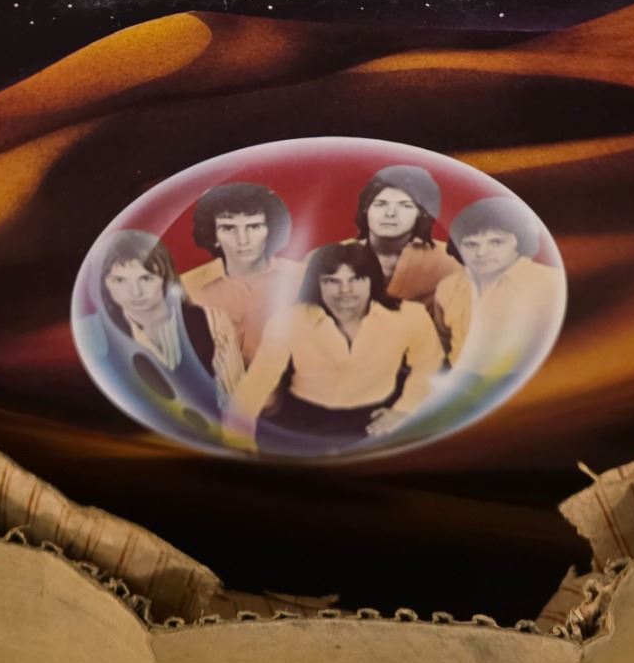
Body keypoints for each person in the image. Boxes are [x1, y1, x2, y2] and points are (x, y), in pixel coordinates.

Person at [223, 241, 444, 455]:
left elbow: (429, 363)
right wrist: (237, 440)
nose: (345, 290)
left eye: (356, 279)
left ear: (372, 280)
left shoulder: (410, 315)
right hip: (304, 417)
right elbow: (258, 380)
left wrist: (405, 410)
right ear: (316, 284)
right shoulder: (289, 320)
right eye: (332, 281)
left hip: (376, 415)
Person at [76, 229, 244, 420]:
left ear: (166, 278)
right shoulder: (93, 333)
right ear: (104, 284)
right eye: (119, 280)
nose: (135, 292)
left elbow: (235, 403)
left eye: (146, 278)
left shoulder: (211, 320)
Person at [434, 196, 565, 379]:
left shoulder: (552, 284)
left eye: (496, 242)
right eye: (471, 244)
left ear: (520, 241)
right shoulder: (448, 287)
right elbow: (444, 341)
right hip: (459, 381)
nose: (481, 253)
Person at [181, 182, 304, 365]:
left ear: (271, 230)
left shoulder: (303, 277)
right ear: (214, 235)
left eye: (253, 227)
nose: (243, 240)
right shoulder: (187, 288)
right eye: (229, 228)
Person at [352, 163, 458, 316]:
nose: (390, 213)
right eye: (380, 204)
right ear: (366, 209)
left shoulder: (450, 261)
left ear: (422, 213)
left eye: (405, 205)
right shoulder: (330, 257)